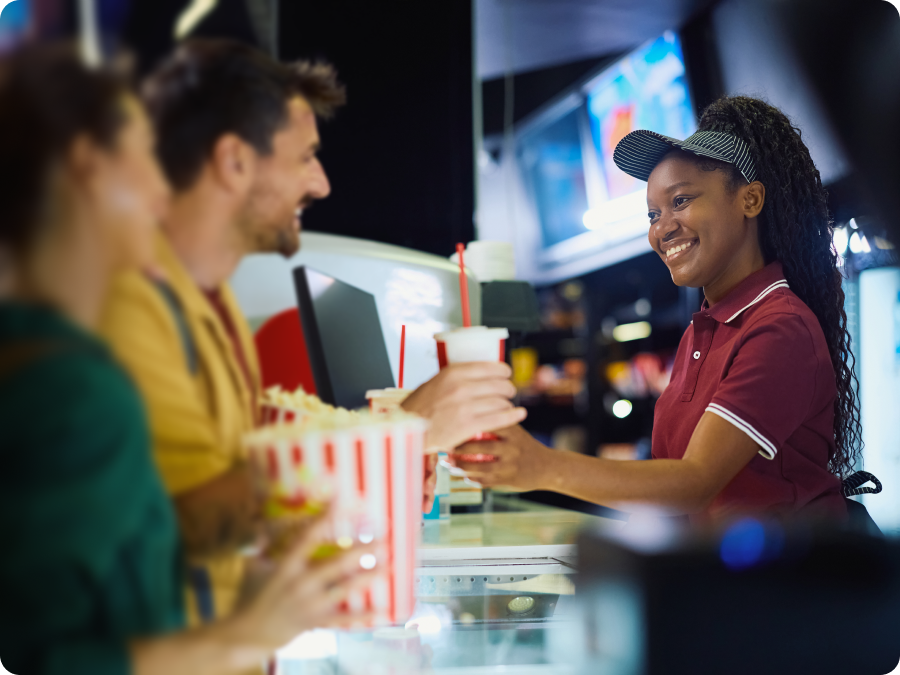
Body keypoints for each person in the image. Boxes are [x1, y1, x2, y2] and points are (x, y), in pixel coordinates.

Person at [99, 38, 524, 624]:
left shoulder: (208, 303)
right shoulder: (128, 310)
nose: (321, 183)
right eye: (304, 157)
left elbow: (244, 479)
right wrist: (403, 434)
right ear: (234, 162)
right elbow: (173, 518)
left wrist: (393, 457)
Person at [0, 44, 376, 675]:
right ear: (90, 169)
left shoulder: (207, 303)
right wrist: (242, 634)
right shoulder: (77, 379)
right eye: (142, 156)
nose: (161, 184)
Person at [455, 96, 861, 524]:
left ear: (750, 199)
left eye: (681, 200)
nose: (662, 228)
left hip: (785, 584)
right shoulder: (703, 329)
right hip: (716, 578)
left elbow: (693, 483)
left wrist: (542, 466)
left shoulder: (780, 327)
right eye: (653, 213)